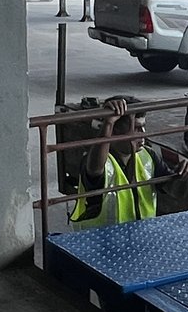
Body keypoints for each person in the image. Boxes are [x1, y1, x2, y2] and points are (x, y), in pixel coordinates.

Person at [63, 95, 160, 228]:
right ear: (114, 131)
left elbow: (172, 185)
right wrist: (108, 123)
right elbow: (95, 169)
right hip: (101, 239)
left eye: (143, 127)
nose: (143, 133)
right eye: (136, 128)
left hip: (140, 235)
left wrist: (183, 171)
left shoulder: (148, 157)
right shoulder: (99, 161)